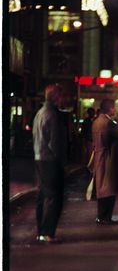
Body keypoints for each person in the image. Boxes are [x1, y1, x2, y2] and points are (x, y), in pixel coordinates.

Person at [32, 84, 66, 243]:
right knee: (53, 197)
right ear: (55, 97)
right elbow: (55, 142)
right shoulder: (53, 114)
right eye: (60, 96)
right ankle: (47, 233)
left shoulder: (39, 113)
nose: (62, 99)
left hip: (39, 158)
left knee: (42, 196)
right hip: (50, 160)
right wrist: (62, 162)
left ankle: (41, 231)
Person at [91, 99, 118, 225]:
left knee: (101, 188)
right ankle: (106, 217)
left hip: (98, 155)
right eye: (114, 107)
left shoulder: (96, 122)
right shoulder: (108, 123)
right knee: (109, 188)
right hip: (108, 157)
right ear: (110, 109)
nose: (115, 110)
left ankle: (101, 216)